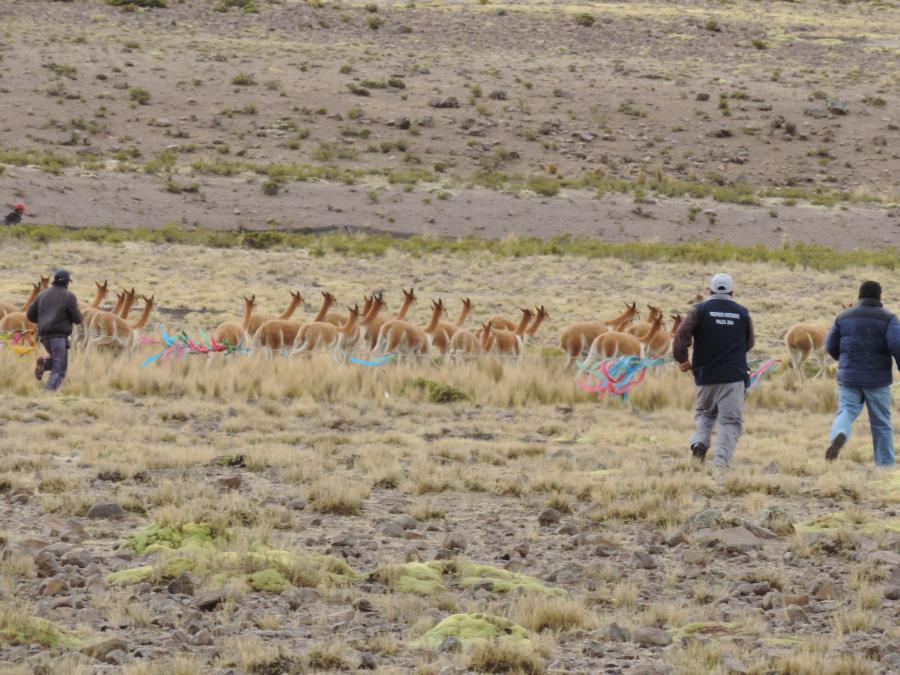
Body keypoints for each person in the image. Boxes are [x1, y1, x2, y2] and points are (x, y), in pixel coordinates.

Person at [673, 273, 755, 473]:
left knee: (704, 413)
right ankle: (720, 464)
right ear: (732, 291)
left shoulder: (699, 310)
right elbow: (750, 343)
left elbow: (681, 334)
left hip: (705, 375)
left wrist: (682, 359)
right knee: (730, 421)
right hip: (733, 376)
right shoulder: (742, 312)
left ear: (709, 291)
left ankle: (700, 443)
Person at [824, 281, 900, 467]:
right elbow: (896, 344)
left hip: (849, 377)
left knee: (846, 411)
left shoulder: (843, 316)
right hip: (877, 380)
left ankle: (839, 434)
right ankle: (885, 466)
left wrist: (844, 360)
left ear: (860, 296)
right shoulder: (889, 318)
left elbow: (829, 345)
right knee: (881, 423)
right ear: (879, 296)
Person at [27, 269, 83, 392]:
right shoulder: (69, 296)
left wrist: (43, 320)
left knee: (59, 362)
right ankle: (47, 393)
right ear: (67, 283)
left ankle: (45, 364)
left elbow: (30, 315)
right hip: (58, 337)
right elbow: (78, 319)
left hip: (44, 337)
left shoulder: (42, 294)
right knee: (60, 370)